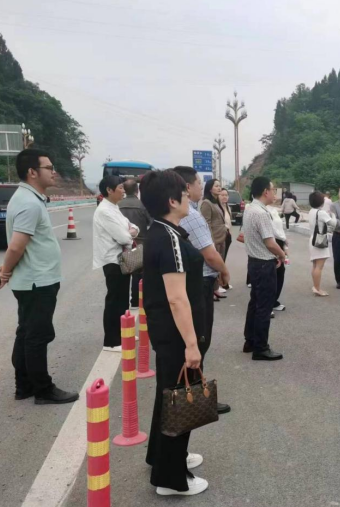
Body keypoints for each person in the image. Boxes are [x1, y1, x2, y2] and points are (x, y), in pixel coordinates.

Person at [139, 170, 207, 496]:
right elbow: (177, 298)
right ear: (171, 201)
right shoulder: (169, 239)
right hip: (177, 335)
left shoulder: (161, 231)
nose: (188, 196)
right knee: (180, 400)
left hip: (167, 333)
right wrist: (192, 344)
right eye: (184, 192)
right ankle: (170, 479)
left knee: (169, 396)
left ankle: (163, 456)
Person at [0, 149, 78, 404]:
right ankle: (43, 389)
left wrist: (5, 270)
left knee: (27, 332)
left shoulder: (27, 198)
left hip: (33, 279)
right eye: (48, 168)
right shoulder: (29, 203)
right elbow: (16, 246)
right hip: (37, 281)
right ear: (32, 172)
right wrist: (4, 271)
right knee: (37, 336)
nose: (54, 172)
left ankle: (24, 385)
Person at [171, 167, 231, 415]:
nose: (200, 186)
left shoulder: (170, 217)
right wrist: (224, 271)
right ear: (187, 187)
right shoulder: (193, 216)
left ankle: (190, 394)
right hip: (201, 282)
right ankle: (195, 397)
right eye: (198, 182)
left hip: (190, 281)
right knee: (199, 340)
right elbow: (210, 254)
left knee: (192, 340)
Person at [93, 175, 139, 352]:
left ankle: (124, 333)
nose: (123, 191)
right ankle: (111, 341)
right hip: (113, 260)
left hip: (122, 258)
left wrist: (131, 231)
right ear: (109, 190)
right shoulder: (104, 211)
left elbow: (133, 227)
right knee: (115, 300)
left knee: (122, 299)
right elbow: (124, 237)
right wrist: (130, 233)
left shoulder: (114, 207)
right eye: (120, 188)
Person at [242, 176, 286, 360]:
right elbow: (270, 242)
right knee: (264, 307)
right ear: (265, 191)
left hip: (254, 262)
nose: (274, 193)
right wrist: (282, 255)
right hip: (264, 264)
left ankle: (250, 341)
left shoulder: (250, 209)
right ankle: (261, 348)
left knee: (255, 303)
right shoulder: (261, 213)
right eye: (273, 189)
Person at [308, 191, 340, 296]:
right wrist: (332, 215)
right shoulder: (321, 213)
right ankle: (317, 289)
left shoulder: (311, 211)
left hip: (313, 239)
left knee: (315, 265)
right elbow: (333, 223)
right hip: (320, 241)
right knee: (319, 266)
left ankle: (315, 286)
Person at [118, 177, 152, 308]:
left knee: (122, 275)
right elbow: (151, 223)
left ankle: (122, 305)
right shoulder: (142, 205)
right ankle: (136, 302)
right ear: (137, 190)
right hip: (139, 244)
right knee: (138, 275)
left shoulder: (117, 205)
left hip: (121, 244)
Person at [199, 179, 228, 300]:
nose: (219, 188)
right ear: (210, 188)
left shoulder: (217, 202)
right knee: (212, 265)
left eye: (220, 186)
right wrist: (211, 241)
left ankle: (215, 289)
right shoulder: (206, 203)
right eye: (216, 186)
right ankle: (211, 291)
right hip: (214, 238)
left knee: (219, 263)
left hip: (222, 237)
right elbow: (207, 223)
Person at [268, 196, 288, 311]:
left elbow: (280, 228)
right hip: (271, 242)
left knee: (280, 272)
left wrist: (285, 244)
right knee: (271, 273)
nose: (274, 196)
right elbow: (272, 231)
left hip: (279, 241)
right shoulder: (263, 211)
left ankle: (274, 300)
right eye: (272, 191)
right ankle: (267, 304)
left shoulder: (274, 210)